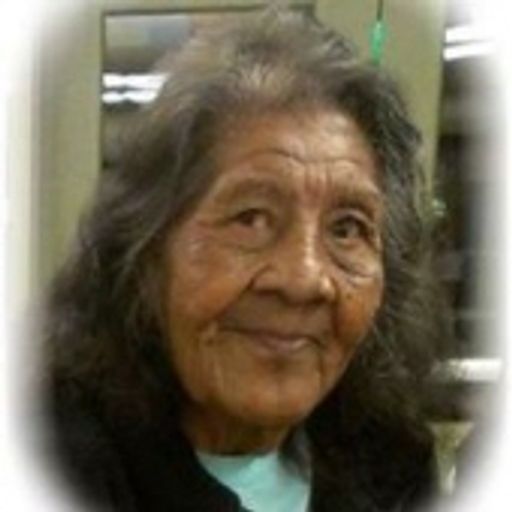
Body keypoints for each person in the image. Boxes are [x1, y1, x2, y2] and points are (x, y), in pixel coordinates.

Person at [41, 8, 447, 512]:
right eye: (250, 219)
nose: (304, 279)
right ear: (146, 256)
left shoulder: (395, 465)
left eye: (347, 229)